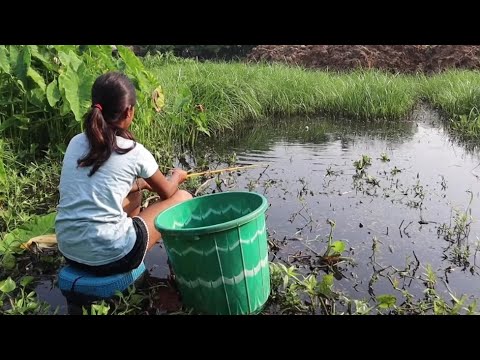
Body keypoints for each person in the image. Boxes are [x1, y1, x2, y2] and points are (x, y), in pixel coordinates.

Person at [55, 71, 192, 276]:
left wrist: (138, 184)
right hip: (113, 258)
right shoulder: (133, 151)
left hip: (70, 252)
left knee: (135, 192)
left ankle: (127, 245)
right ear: (129, 111)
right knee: (183, 197)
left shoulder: (75, 142)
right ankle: (165, 264)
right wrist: (178, 177)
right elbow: (167, 192)